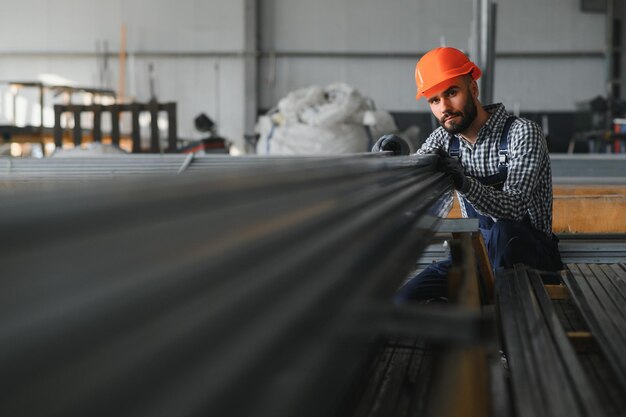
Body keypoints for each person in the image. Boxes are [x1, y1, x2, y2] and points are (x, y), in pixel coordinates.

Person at [373, 46, 563, 302]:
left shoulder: (522, 133)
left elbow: (514, 209)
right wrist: (394, 158)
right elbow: (417, 171)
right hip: (476, 256)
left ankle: (490, 322)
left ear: (473, 89)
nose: (445, 107)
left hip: (530, 256)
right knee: (403, 302)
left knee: (505, 232)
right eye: (435, 100)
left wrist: (465, 183)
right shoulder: (443, 138)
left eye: (452, 92)